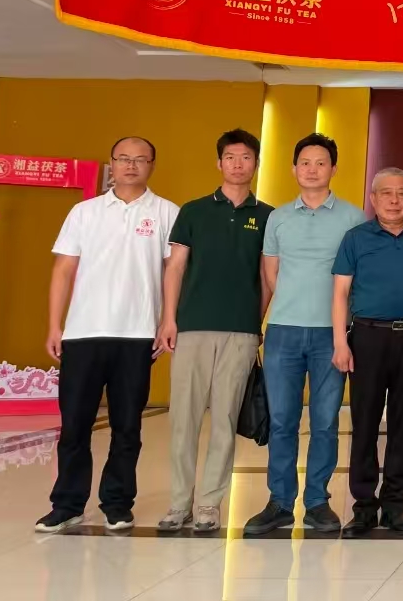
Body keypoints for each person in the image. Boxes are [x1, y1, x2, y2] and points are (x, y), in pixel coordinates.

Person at [36, 137, 179, 534]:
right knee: (75, 425)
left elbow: (174, 273)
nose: (131, 165)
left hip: (137, 335)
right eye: (123, 159)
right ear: (111, 164)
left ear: (152, 165)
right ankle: (67, 504)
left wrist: (168, 321)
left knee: (127, 426)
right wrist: (55, 325)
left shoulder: (168, 213)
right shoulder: (85, 212)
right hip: (83, 333)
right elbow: (63, 270)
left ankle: (117, 503)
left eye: (140, 159)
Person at [244, 133, 366, 536]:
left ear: (333, 169)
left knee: (326, 421)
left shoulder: (352, 218)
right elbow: (271, 273)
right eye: (305, 163)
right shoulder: (278, 218)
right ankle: (280, 502)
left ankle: (317, 502)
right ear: (294, 168)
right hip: (283, 331)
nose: (312, 170)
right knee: (282, 420)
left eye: (321, 163)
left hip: (332, 334)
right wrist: (278, 314)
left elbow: (357, 278)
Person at [156, 130, 273, 533]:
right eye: (230, 157)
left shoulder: (268, 216)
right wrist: (169, 320)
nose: (238, 164)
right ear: (219, 163)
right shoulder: (193, 211)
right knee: (183, 419)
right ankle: (178, 503)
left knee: (224, 419)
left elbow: (267, 278)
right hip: (192, 327)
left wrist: (255, 322)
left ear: (256, 163)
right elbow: (175, 268)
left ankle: (209, 505)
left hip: (241, 332)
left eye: (246, 157)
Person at [331, 167, 403, 537]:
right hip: (367, 338)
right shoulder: (355, 238)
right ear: (373, 198)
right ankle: (364, 507)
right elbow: (340, 294)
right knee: (364, 424)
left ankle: (394, 505)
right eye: (386, 193)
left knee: (402, 425)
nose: (394, 200)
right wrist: (340, 341)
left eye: (402, 193)